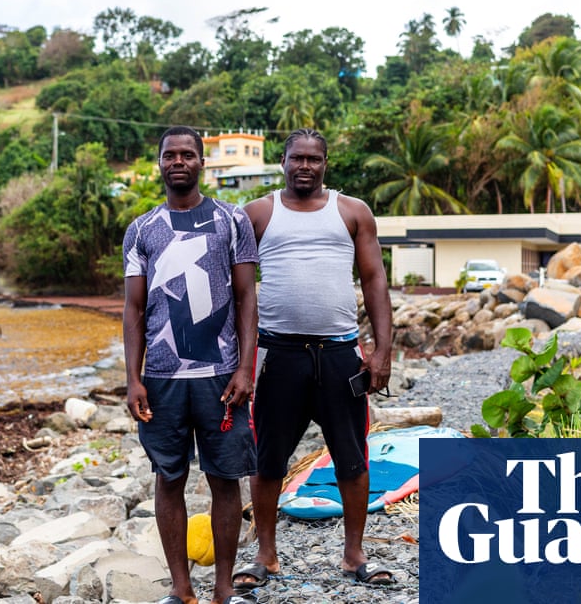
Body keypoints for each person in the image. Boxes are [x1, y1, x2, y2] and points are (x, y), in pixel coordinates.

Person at [234, 128, 395, 589]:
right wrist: (240, 362)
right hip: (278, 355)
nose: (305, 166)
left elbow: (374, 281)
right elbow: (240, 292)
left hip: (340, 353)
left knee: (352, 456)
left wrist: (382, 351)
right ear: (282, 161)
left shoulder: (352, 212)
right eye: (297, 158)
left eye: (314, 159)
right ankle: (265, 555)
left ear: (326, 164)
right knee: (268, 459)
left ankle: (354, 554)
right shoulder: (258, 215)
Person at [123, 125, 259, 604]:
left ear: (202, 162)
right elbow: (134, 310)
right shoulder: (141, 229)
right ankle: (182, 591)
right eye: (169, 155)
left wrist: (245, 368)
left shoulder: (232, 220)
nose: (177, 161)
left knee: (225, 479)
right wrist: (133, 379)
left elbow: (245, 298)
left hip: (221, 377)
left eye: (187, 154)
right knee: (169, 478)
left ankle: (224, 589)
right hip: (161, 380)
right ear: (158, 163)